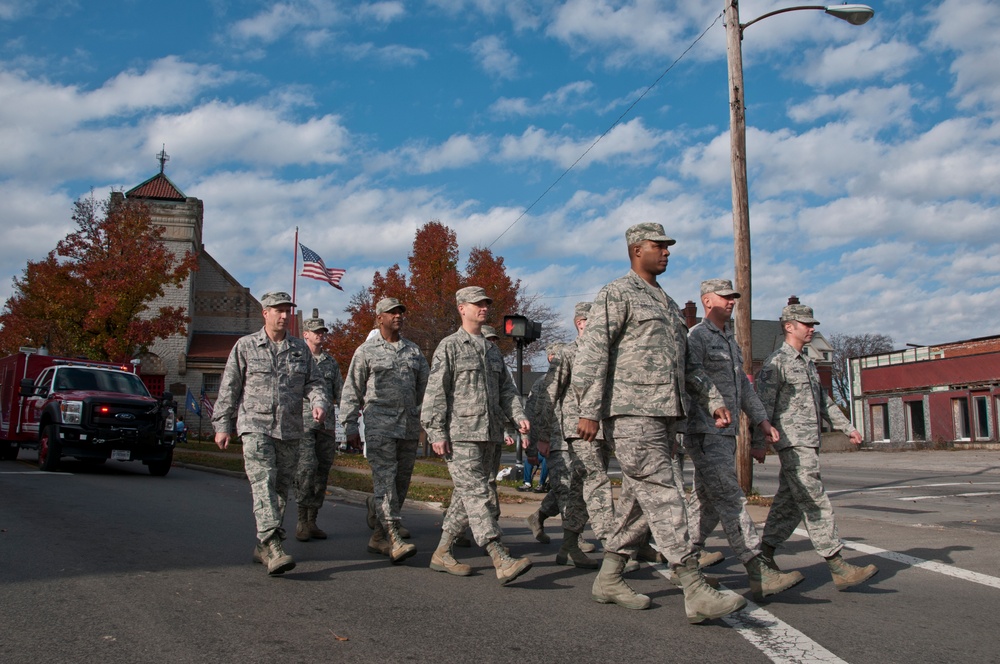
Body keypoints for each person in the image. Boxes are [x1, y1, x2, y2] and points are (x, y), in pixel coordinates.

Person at [571, 222, 747, 624]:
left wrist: (715, 399)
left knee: (637, 502)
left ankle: (609, 577)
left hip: (666, 415)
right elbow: (593, 354)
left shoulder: (667, 305)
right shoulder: (617, 293)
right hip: (631, 413)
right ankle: (694, 585)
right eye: (658, 246)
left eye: (668, 246)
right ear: (637, 250)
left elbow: (687, 365)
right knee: (665, 494)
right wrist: (588, 410)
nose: (667, 252)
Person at [683, 279, 805, 600]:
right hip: (705, 431)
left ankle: (683, 563)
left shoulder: (731, 341)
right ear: (707, 301)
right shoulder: (697, 338)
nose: (732, 301)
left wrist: (762, 420)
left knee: (706, 503)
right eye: (725, 297)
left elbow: (745, 388)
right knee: (730, 496)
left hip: (727, 433)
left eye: (734, 297)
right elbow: (688, 378)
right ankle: (756, 568)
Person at [755, 303, 878, 591]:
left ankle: (764, 556)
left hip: (810, 442)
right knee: (814, 499)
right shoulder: (777, 363)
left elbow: (824, 403)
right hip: (792, 444)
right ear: (789, 326)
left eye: (813, 325)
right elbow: (762, 407)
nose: (812, 329)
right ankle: (837, 564)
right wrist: (758, 444)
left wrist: (848, 428)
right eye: (806, 324)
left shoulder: (807, 363)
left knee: (789, 503)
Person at [422, 286, 532, 585]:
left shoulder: (492, 349)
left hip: (490, 435)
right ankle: (499, 555)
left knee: (465, 496)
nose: (484, 308)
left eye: (486, 303)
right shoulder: (450, 346)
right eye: (477, 304)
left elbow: (507, 390)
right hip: (461, 435)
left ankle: (442, 552)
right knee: (477, 495)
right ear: (462, 308)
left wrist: (518, 416)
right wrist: (435, 431)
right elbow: (435, 393)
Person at [213, 291, 329, 576]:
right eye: (277, 310)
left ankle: (262, 546)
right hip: (256, 426)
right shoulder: (246, 346)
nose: (284, 315)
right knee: (264, 481)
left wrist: (318, 402)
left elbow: (314, 383)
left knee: (279, 490)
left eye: (287, 310)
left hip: (289, 429)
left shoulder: (300, 350)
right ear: (264, 313)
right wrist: (222, 424)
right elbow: (230, 386)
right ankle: (274, 544)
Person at [340, 297, 429, 564]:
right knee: (385, 482)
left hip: (408, 428)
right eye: (392, 312)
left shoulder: (413, 351)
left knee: (401, 484)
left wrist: (427, 417)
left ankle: (378, 536)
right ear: (379, 317)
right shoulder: (365, 351)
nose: (398, 316)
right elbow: (351, 390)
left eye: (401, 312)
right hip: (379, 425)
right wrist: (349, 426)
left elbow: (427, 389)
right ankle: (393, 537)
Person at [293, 311, 344, 543]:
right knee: (306, 468)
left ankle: (313, 519)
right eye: (316, 332)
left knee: (322, 470)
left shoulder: (330, 363)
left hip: (326, 425)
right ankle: (302, 519)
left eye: (323, 332)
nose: (321, 335)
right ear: (306, 334)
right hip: (302, 423)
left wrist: (349, 418)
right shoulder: (297, 358)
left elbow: (340, 393)